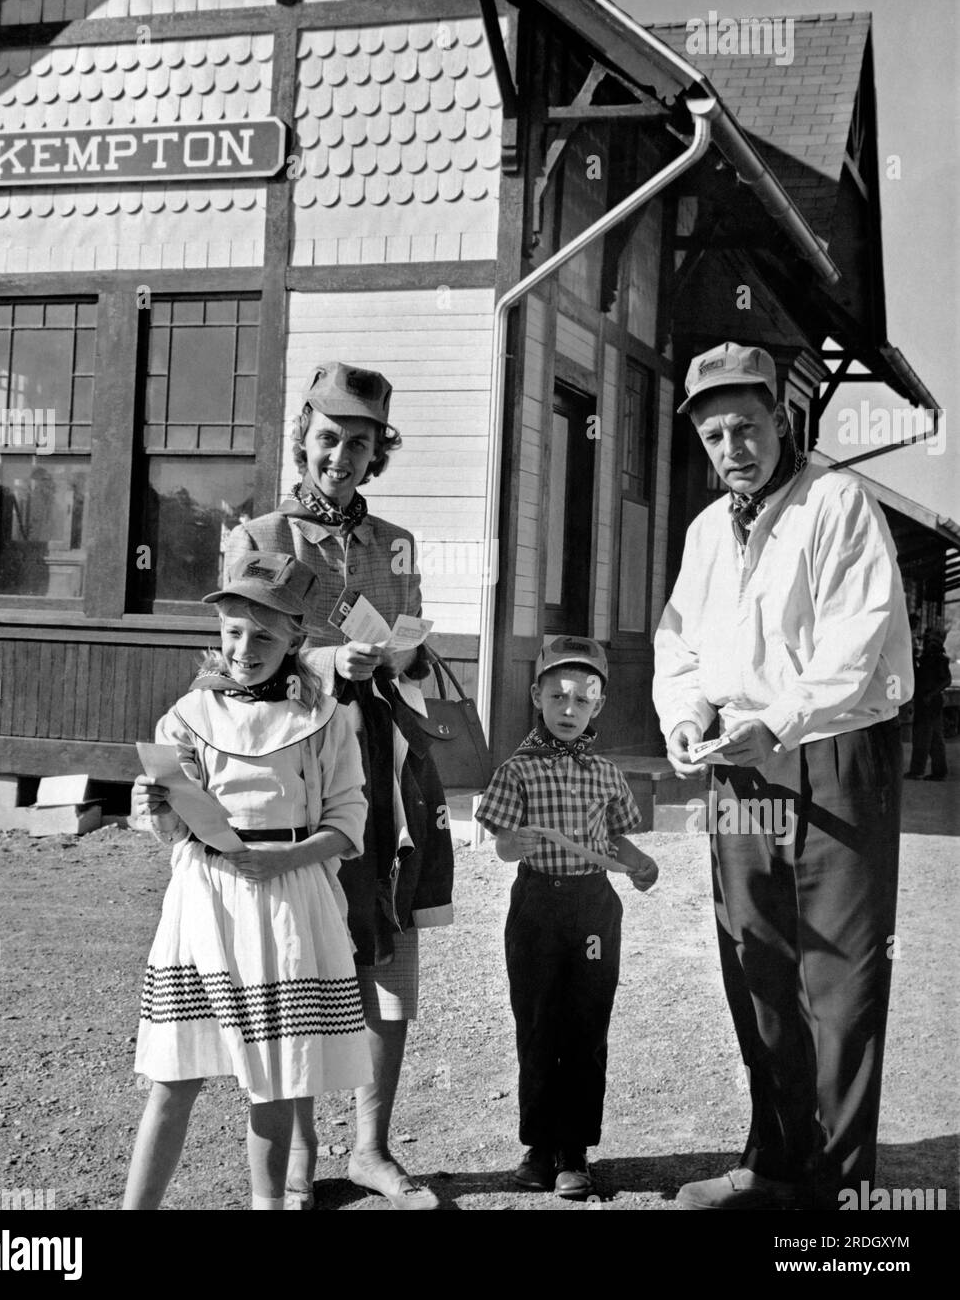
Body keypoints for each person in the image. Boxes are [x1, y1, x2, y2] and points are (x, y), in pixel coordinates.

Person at [654, 342, 913, 1211]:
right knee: (755, 964)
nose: (735, 447)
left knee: (838, 985)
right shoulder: (700, 533)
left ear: (781, 421)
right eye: (715, 433)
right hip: (740, 771)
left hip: (834, 757)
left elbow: (860, 638)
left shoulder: (836, 502)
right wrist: (686, 717)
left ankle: (839, 1198)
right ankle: (774, 1163)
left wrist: (777, 720)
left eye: (749, 425)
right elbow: (677, 648)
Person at [224, 362, 453, 1210]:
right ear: (303, 439)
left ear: (376, 452)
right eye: (329, 438)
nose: (342, 457)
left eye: (360, 443)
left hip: (383, 766)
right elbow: (234, 659)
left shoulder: (395, 543)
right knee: (301, 954)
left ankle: (372, 1148)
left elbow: (414, 644)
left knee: (385, 949)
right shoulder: (259, 538)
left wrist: (406, 653)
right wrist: (323, 658)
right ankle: (298, 1152)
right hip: (295, 771)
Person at [123, 552, 371, 1211]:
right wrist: (158, 808)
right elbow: (174, 823)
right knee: (175, 1076)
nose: (244, 648)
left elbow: (348, 822)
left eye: (264, 635)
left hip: (288, 899)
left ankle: (269, 1203)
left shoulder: (323, 718)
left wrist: (282, 861)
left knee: (278, 1079)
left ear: (296, 638)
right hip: (205, 900)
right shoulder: (188, 715)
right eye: (233, 630)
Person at [475, 637, 658, 1201]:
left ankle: (575, 1149)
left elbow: (617, 840)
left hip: (593, 908)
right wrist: (516, 842)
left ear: (598, 705)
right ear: (537, 696)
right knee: (537, 1023)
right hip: (536, 905)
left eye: (582, 699)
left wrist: (639, 863)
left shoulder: (606, 772)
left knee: (585, 1024)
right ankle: (537, 1147)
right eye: (557, 696)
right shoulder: (516, 771)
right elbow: (502, 846)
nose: (569, 708)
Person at [906, 625, 951, 780]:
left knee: (925, 738)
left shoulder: (939, 659)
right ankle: (937, 772)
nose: (927, 642)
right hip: (925, 701)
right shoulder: (926, 658)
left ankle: (921, 770)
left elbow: (946, 680)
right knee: (932, 738)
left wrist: (931, 695)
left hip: (930, 703)